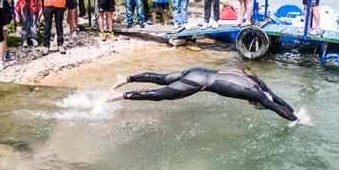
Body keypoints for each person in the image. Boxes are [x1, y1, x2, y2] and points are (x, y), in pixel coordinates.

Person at [108, 67, 310, 125]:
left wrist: (294, 111)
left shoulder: (255, 80)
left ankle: (125, 78)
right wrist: (296, 120)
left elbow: (276, 99)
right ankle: (119, 96)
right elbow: (274, 105)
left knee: (161, 78)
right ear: (257, 103)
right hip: (199, 82)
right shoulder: (256, 93)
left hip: (199, 71)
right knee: (162, 95)